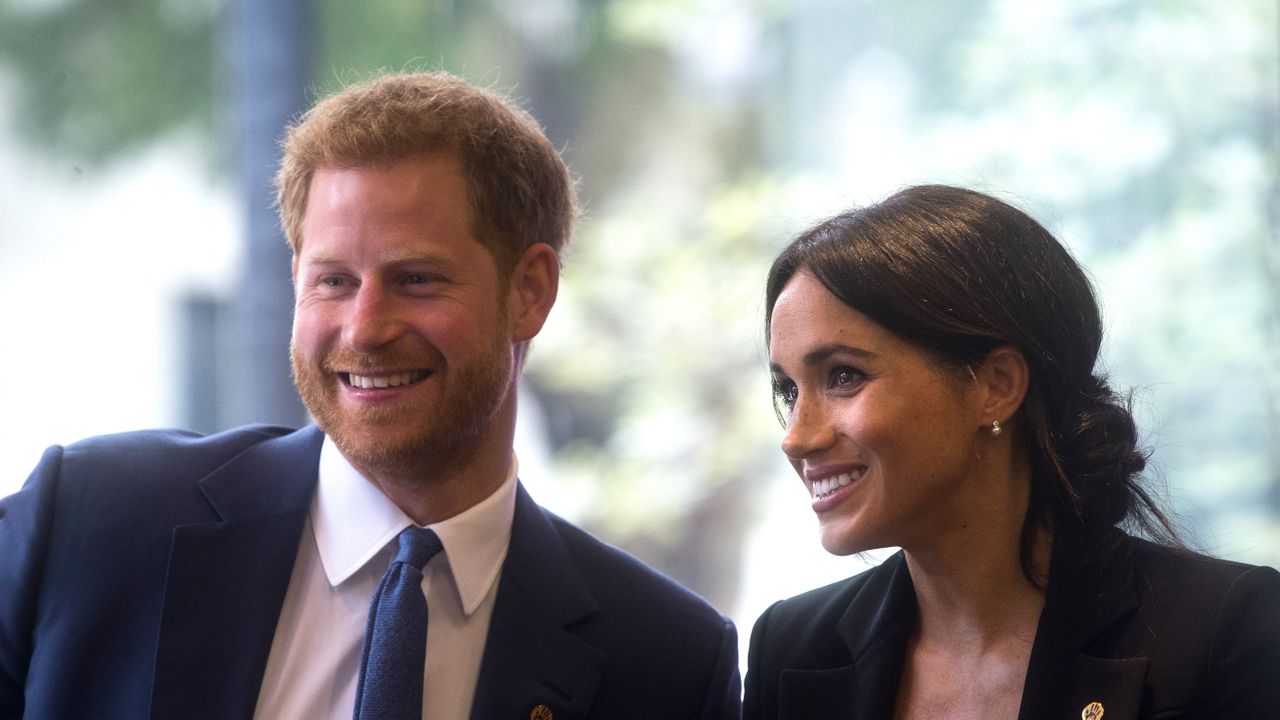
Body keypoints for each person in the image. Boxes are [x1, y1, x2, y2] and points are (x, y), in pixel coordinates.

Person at [0, 72, 740, 720]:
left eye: (416, 279)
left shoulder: (666, 662)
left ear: (530, 291)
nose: (365, 328)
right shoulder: (93, 520)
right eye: (334, 281)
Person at [744, 184, 1280, 719]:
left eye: (843, 376)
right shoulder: (791, 647)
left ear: (996, 385)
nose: (796, 437)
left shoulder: (1226, 632)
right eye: (789, 391)